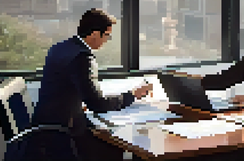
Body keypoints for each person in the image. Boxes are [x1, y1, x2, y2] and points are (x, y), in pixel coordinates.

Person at [21, 8, 153, 161]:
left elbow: (65, 87)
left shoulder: (61, 47)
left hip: (49, 128)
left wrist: (81, 101)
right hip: (63, 136)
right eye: (107, 36)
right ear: (95, 34)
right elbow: (97, 104)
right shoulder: (82, 57)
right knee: (112, 147)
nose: (106, 41)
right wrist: (133, 95)